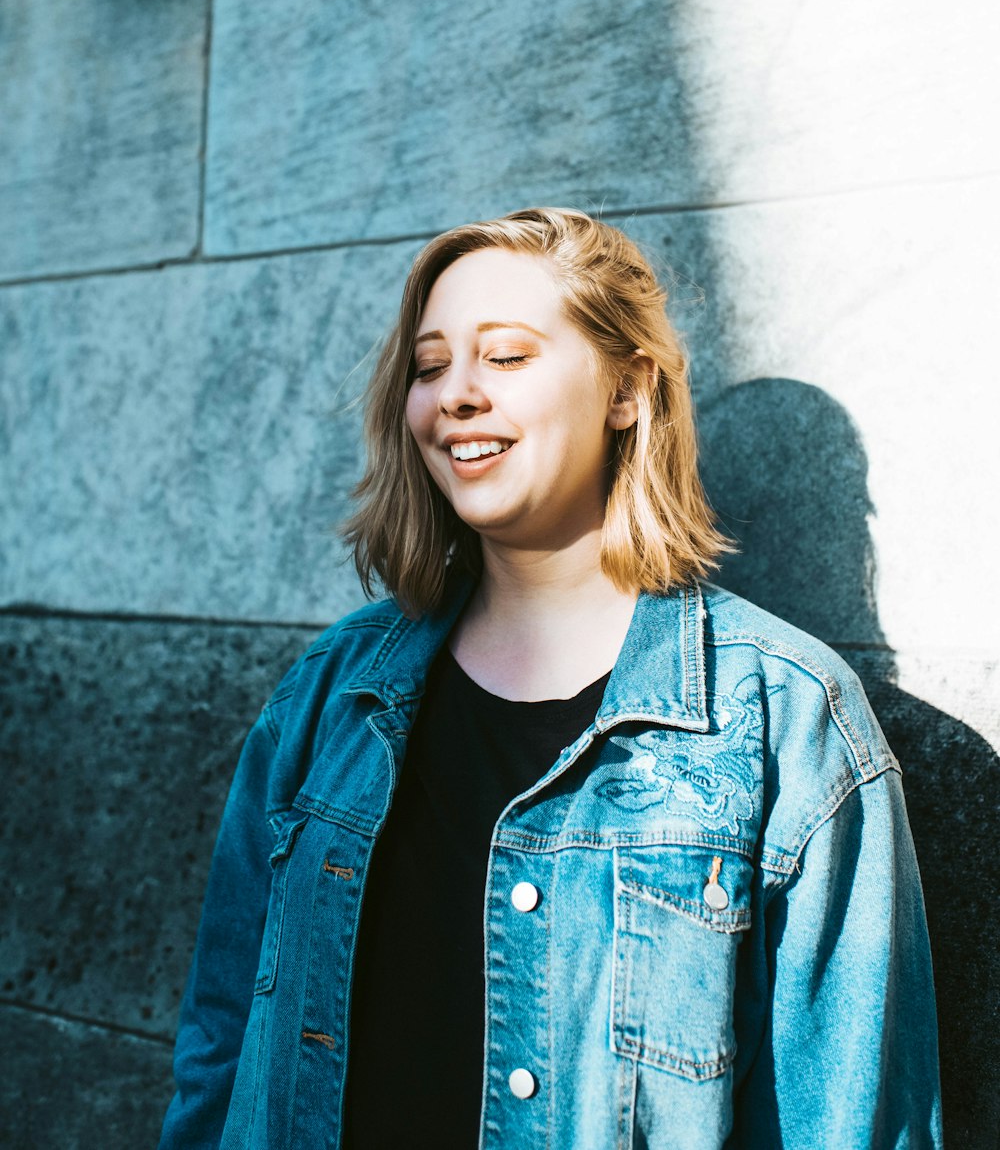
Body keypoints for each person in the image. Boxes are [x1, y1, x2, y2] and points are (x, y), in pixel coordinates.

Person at [158, 206, 942, 1149]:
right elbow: (220, 1044)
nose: (455, 395)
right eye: (430, 364)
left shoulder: (787, 719)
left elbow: (854, 1121)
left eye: (508, 356)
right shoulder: (330, 696)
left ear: (627, 387)